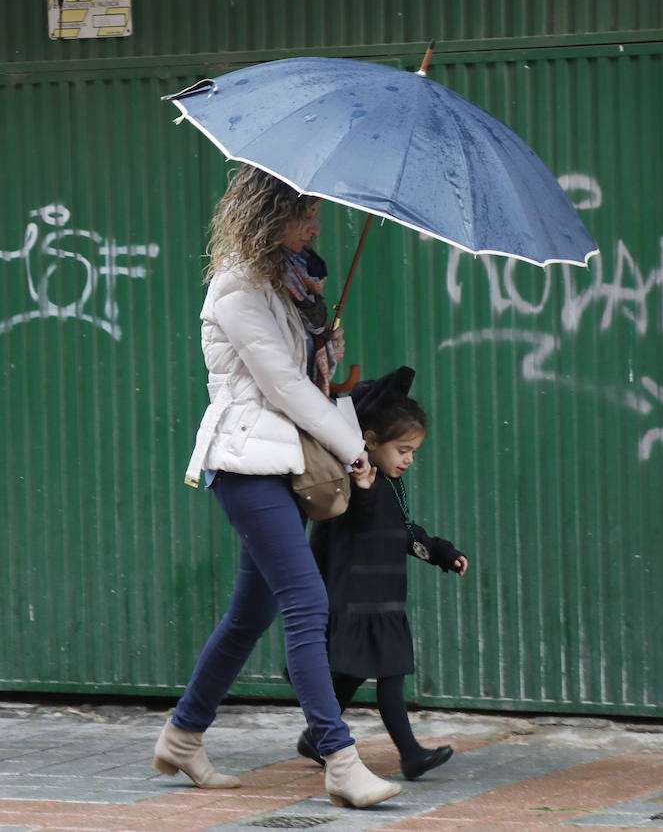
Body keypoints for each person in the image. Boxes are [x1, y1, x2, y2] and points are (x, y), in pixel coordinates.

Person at [153, 165, 402, 809]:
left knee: (251, 613)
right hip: (242, 461)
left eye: (315, 212)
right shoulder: (237, 291)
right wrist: (353, 449)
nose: (315, 225)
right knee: (306, 601)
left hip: (278, 461)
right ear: (267, 214)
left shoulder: (288, 285)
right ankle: (339, 757)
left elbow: (304, 378)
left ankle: (183, 736)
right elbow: (281, 388)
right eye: (303, 214)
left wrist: (325, 337)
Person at [295, 367, 469, 781]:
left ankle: (316, 738)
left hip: (384, 601)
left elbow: (403, 533)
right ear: (370, 442)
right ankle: (409, 754)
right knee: (388, 675)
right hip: (357, 602)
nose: (409, 459)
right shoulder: (352, 485)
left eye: (414, 452)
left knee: (353, 674)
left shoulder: (390, 484)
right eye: (403, 450)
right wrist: (365, 486)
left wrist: (442, 553)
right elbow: (359, 522)